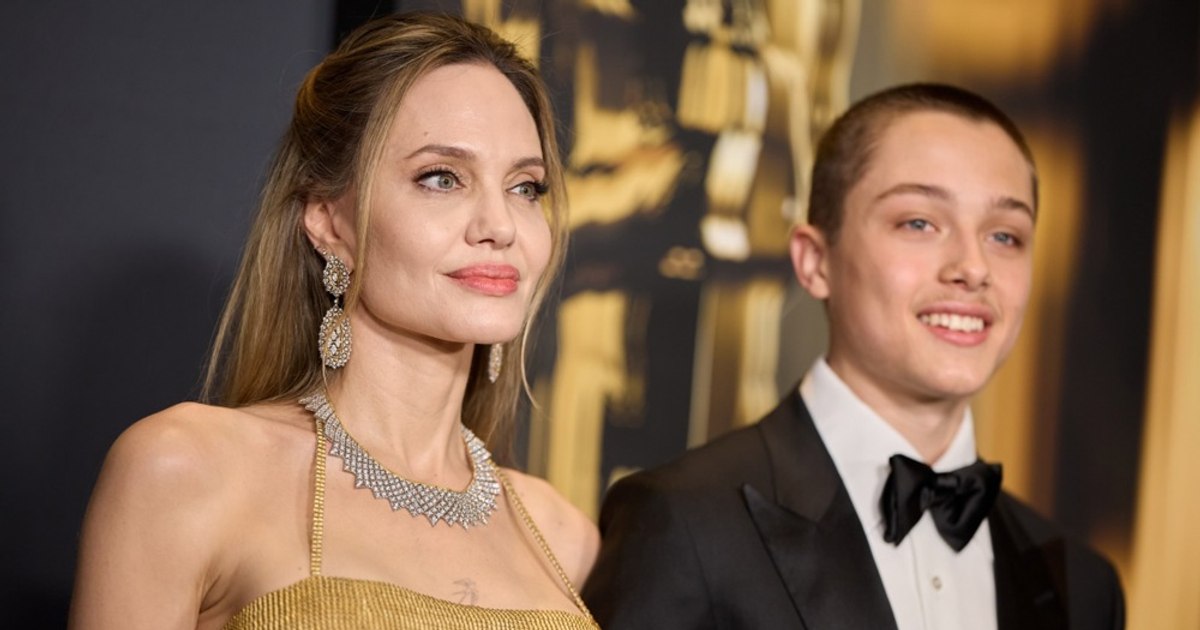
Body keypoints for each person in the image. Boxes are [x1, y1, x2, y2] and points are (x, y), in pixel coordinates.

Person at [70, 13, 598, 630]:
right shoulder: (188, 471)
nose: (500, 226)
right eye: (441, 178)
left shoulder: (565, 538)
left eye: (525, 187)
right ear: (328, 221)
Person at [582, 84, 1124, 629]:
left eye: (1005, 235)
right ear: (816, 261)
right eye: (920, 223)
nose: (973, 266)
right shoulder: (684, 522)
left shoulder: (1083, 586)